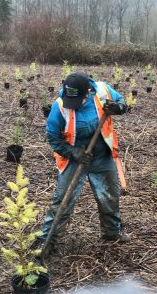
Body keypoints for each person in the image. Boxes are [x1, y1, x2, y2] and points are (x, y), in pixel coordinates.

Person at [35, 71, 130, 253]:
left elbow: (122, 101)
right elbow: (52, 136)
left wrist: (118, 108)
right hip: (75, 159)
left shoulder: (103, 91)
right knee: (63, 200)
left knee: (110, 196)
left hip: (103, 156)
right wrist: (72, 152)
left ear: (87, 92)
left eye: (77, 102)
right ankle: (48, 239)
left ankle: (112, 232)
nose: (73, 106)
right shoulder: (61, 105)